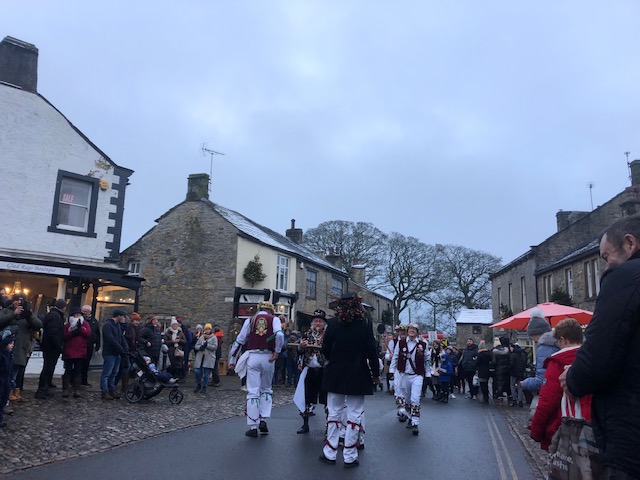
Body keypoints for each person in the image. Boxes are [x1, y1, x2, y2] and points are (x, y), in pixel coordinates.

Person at [560, 215, 640, 477]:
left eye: (606, 257)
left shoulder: (624, 277)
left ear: (630, 243)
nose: (605, 268)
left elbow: (598, 356)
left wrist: (572, 378)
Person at [319, 293, 379, 468]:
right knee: (354, 414)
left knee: (334, 412)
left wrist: (334, 360)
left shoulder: (333, 324)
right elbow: (371, 351)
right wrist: (375, 373)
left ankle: (330, 452)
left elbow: (326, 349)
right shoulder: (365, 324)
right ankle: (350, 455)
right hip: (357, 372)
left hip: (335, 372)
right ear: (358, 306)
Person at [530, 318, 591, 451]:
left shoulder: (557, 363)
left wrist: (536, 432)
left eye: (558, 341)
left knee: (568, 469)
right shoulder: (592, 358)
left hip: (567, 427)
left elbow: (547, 402)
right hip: (594, 427)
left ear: (564, 340)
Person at [228, 301, 284, 437]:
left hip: (253, 356)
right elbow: (280, 335)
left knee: (253, 391)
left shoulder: (251, 320)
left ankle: (253, 426)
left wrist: (232, 360)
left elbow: (239, 340)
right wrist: (277, 351)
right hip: (268, 357)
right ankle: (263, 420)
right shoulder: (274, 319)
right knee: (266, 389)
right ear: (270, 310)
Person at [0, 294, 41, 402]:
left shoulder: (27, 314)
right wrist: (14, 314)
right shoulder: (6, 311)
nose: (18, 302)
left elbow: (38, 325)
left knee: (18, 372)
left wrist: (29, 315)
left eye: (20, 300)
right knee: (8, 373)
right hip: (6, 348)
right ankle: (7, 395)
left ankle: (16, 392)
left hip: (21, 348)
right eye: (16, 300)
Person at [390, 322, 428, 434]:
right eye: (410, 328)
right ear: (407, 331)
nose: (412, 330)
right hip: (404, 375)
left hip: (417, 376)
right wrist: (392, 371)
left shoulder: (423, 344)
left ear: (417, 332)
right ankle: (410, 417)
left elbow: (427, 359)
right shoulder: (401, 343)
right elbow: (395, 357)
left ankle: (415, 423)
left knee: (415, 399)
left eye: (414, 329)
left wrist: (428, 374)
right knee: (407, 400)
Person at [295, 309, 327, 434]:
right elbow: (299, 352)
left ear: (324, 323)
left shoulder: (328, 335)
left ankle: (329, 425)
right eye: (316, 321)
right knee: (306, 398)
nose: (317, 323)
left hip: (323, 370)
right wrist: (301, 346)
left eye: (320, 321)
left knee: (326, 399)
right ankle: (305, 424)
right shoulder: (306, 335)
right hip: (309, 370)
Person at [522, 308, 559, 395]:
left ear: (537, 334)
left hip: (551, 393)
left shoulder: (544, 347)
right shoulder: (556, 343)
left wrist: (526, 383)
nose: (533, 340)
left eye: (532, 336)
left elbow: (542, 380)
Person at [35, 299, 67, 400]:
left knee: (49, 367)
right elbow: (53, 333)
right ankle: (42, 389)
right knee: (47, 367)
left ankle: (46, 386)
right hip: (51, 347)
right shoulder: (55, 316)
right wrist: (59, 346)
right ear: (62, 307)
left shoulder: (54, 315)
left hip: (51, 347)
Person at [61, 307, 91, 398]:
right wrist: (72, 333)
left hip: (80, 351)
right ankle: (65, 389)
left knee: (78, 371)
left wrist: (80, 329)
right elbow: (64, 336)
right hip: (69, 351)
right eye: (75, 314)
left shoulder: (85, 324)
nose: (77, 316)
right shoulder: (67, 325)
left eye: (78, 314)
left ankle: (76, 390)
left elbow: (88, 334)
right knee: (68, 371)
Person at [101, 309, 128, 400]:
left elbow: (121, 338)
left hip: (117, 353)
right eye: (123, 316)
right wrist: (121, 349)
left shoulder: (118, 326)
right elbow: (111, 340)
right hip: (110, 352)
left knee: (114, 373)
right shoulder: (108, 325)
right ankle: (104, 391)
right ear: (119, 316)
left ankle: (111, 389)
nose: (124, 318)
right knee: (107, 373)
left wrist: (125, 349)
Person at [193, 323, 217, 394]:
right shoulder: (201, 337)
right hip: (200, 357)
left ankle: (204, 387)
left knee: (206, 374)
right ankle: (199, 384)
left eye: (209, 329)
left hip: (208, 358)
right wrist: (200, 347)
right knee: (197, 371)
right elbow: (196, 345)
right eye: (206, 329)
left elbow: (215, 347)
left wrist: (207, 345)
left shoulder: (213, 338)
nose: (207, 330)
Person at [80, 305, 100, 387]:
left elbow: (97, 333)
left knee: (86, 363)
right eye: (83, 311)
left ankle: (84, 380)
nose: (84, 313)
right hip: (80, 345)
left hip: (89, 345)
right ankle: (75, 380)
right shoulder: (80, 320)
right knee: (79, 363)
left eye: (86, 311)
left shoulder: (94, 321)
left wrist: (97, 344)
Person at [0, 328, 16, 428]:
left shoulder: (8, 354)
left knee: (3, 399)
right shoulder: (3, 355)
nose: (12, 345)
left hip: (6, 381)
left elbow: (10, 369)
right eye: (11, 343)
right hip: (1, 381)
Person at [492, 336, 511, 402]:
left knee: (500, 382)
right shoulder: (507, 351)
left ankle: (500, 395)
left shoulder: (495, 352)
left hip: (499, 369)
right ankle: (509, 395)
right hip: (506, 369)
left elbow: (494, 362)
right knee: (507, 382)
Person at [509, 342, 527, 407]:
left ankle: (514, 400)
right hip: (521, 372)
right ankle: (520, 400)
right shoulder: (522, 354)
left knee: (512, 385)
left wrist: (508, 369)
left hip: (513, 372)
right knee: (520, 387)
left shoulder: (513, 355)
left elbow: (511, 364)